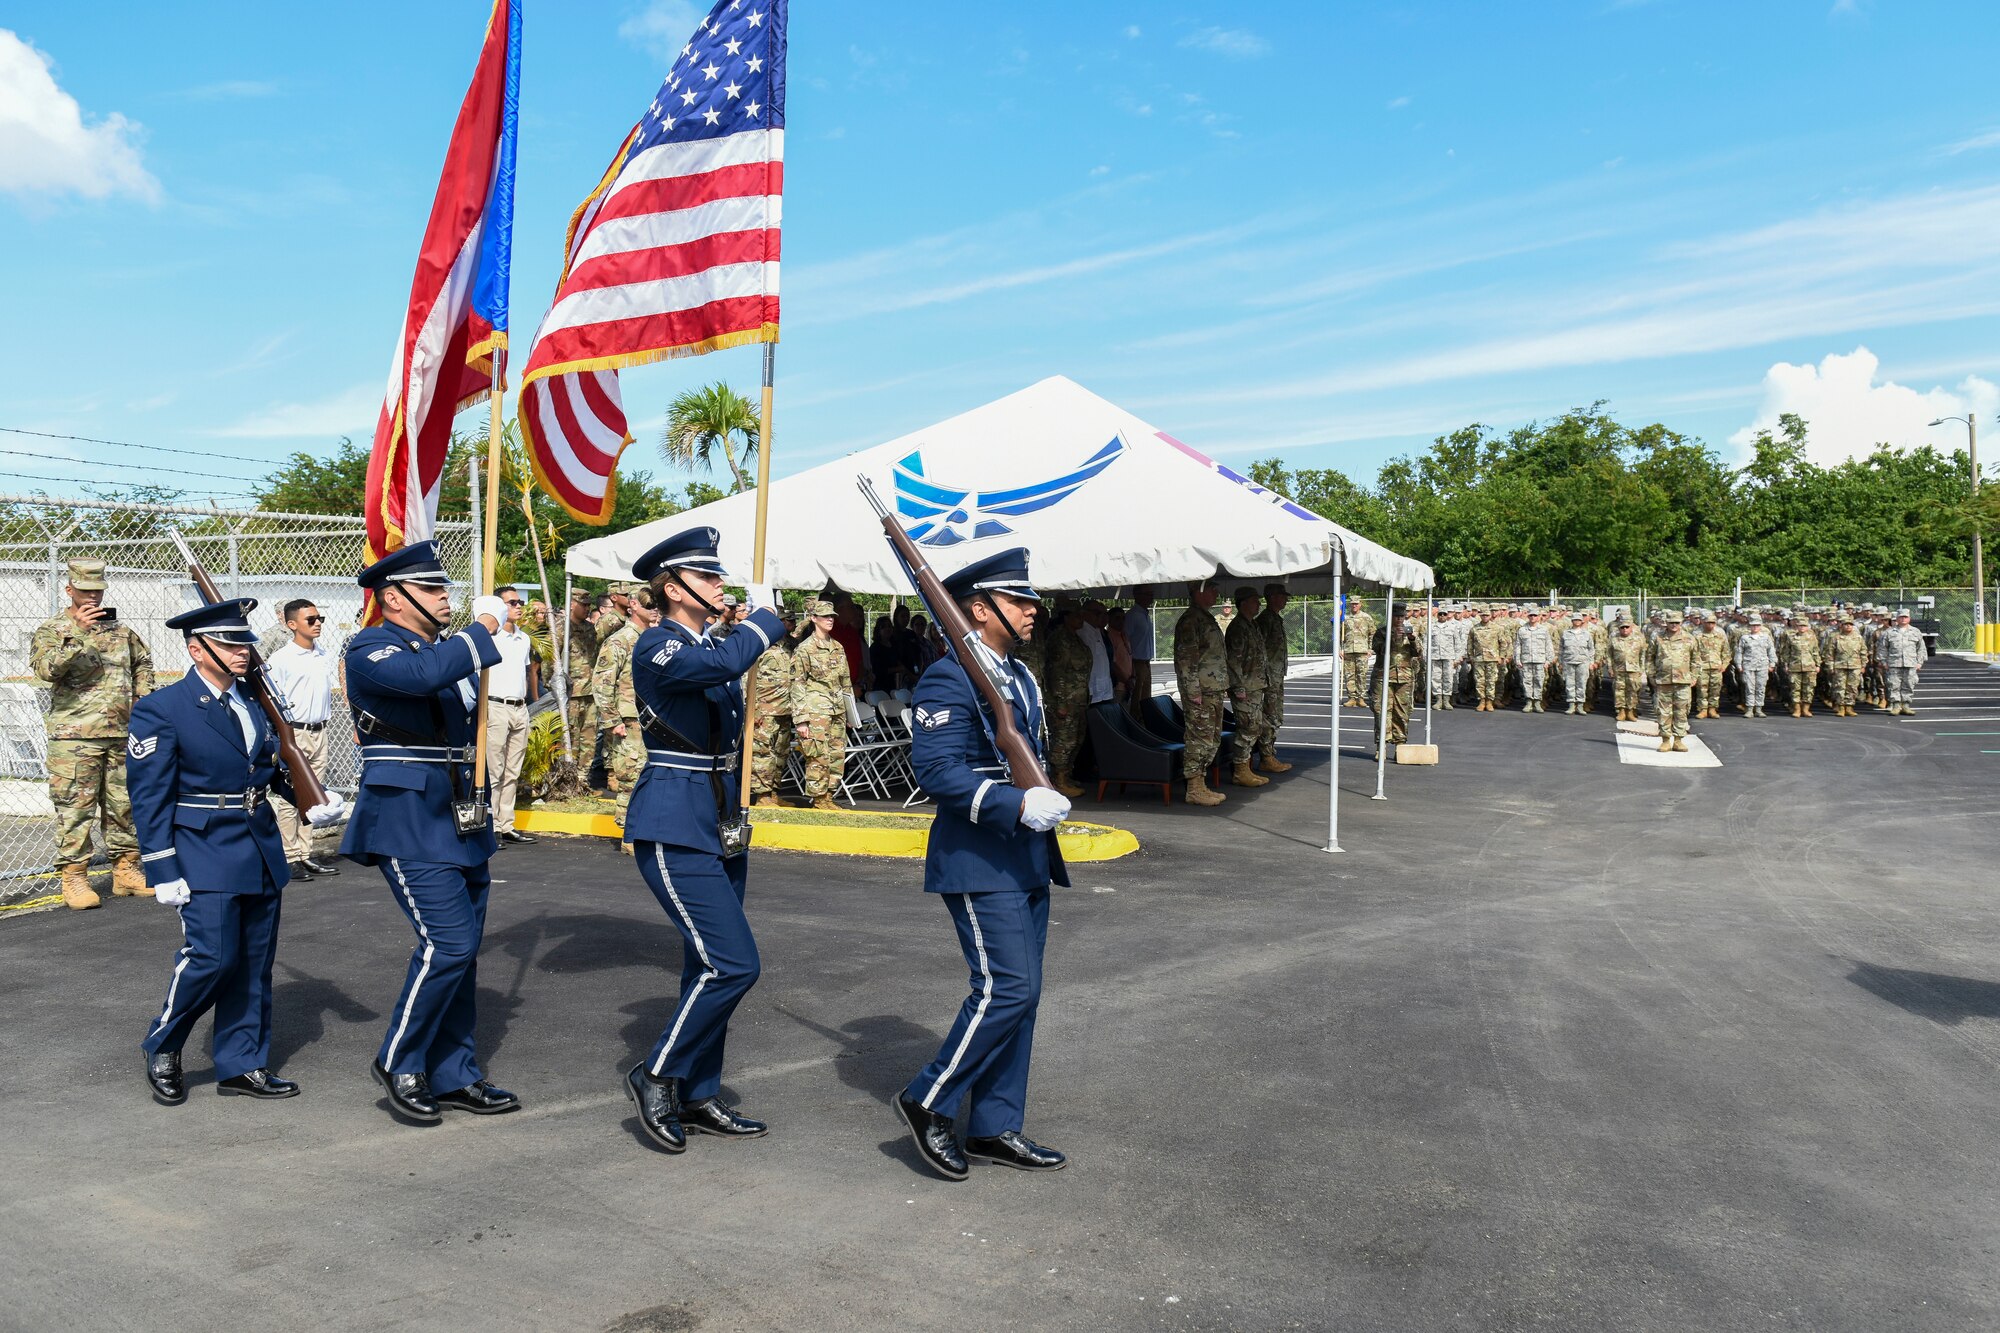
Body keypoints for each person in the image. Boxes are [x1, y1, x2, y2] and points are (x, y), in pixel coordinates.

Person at [896, 546, 1071, 1181]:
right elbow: (938, 772)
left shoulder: (1018, 677)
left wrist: (1040, 798)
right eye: (1019, 600)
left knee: (1024, 998)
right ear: (979, 608)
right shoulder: (949, 678)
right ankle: (929, 1099)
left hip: (1026, 855)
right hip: (978, 857)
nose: (1032, 610)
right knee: (1006, 988)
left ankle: (996, 1125)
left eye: (1030, 600)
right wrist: (1015, 803)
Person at [131, 597, 347, 1106]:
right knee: (211, 957)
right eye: (228, 644)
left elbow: (271, 768)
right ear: (196, 648)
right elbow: (149, 795)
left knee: (252, 961)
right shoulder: (163, 708)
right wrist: (160, 865)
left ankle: (241, 1062)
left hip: (256, 842)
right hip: (200, 845)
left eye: (244, 642)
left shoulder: (254, 703)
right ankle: (164, 1045)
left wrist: (310, 801)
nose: (241, 651)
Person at [620, 527, 787, 1155]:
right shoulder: (657, 646)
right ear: (673, 587)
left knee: (704, 963)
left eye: (719, 577)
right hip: (672, 817)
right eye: (709, 577)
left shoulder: (708, 642)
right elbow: (719, 663)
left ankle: (697, 1090)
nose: (720, 586)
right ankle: (658, 1073)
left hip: (719, 819)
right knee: (734, 963)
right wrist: (763, 623)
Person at [342, 541, 520, 1124]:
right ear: (393, 597)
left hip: (460, 817)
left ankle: (454, 1071)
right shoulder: (369, 646)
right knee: (449, 943)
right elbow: (422, 679)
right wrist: (485, 626)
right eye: (432, 589)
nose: (446, 597)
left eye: (446, 588)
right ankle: (401, 1060)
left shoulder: (442, 651)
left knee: (463, 952)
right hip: (408, 821)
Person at [32, 557, 155, 909]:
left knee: (124, 805)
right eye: (86, 591)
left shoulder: (120, 630)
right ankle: (74, 878)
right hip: (75, 737)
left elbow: (142, 661)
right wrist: (79, 635)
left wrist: (142, 698)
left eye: (98, 591)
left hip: (121, 732)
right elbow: (46, 670)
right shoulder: (53, 630)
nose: (93, 598)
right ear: (70, 590)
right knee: (76, 809)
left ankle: (126, 871)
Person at [264, 598, 343, 879]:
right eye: (311, 619)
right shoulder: (281, 659)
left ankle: (305, 854)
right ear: (291, 625)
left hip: (320, 730)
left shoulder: (323, 653)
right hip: (293, 733)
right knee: (290, 796)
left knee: (314, 796)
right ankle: (289, 857)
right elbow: (272, 701)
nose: (318, 623)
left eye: (319, 618)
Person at [486, 586, 540, 846]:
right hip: (495, 706)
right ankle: (491, 826)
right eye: (512, 602)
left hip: (520, 707)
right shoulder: (491, 637)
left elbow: (528, 673)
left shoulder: (524, 638)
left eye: (520, 602)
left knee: (513, 770)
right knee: (494, 771)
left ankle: (506, 824)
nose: (519, 606)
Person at [791, 600, 851, 811]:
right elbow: (797, 684)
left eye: (832, 616)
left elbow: (846, 682)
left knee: (836, 754)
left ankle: (828, 795)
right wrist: (801, 720)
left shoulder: (837, 647)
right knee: (817, 755)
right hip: (816, 710)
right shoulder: (804, 649)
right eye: (825, 616)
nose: (830, 619)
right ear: (814, 618)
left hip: (837, 709)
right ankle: (818, 799)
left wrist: (851, 714)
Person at [595, 597, 651, 826]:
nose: (655, 610)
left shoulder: (651, 639)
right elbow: (602, 682)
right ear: (635, 606)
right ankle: (629, 831)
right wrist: (612, 720)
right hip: (629, 720)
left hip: (651, 718)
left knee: (647, 775)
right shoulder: (621, 640)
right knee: (631, 776)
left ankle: (642, 828)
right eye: (650, 605)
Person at [1172, 580, 1228, 806]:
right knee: (1198, 738)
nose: (1216, 592)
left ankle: (1201, 783)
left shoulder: (1204, 617)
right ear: (1197, 592)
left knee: (1211, 738)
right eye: (1212, 588)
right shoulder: (1190, 620)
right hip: (1200, 692)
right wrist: (1193, 691)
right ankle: (1194, 788)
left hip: (1211, 689)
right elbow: (1187, 660)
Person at [1041, 601, 1094, 798]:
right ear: (1066, 617)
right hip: (1065, 701)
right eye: (1076, 616)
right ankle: (1058, 779)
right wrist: (1061, 702)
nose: (1081, 619)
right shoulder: (1060, 640)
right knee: (1064, 740)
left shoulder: (1075, 638)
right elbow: (1056, 673)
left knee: (1077, 739)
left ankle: (1067, 775)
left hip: (1078, 699)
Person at [747, 607, 798, 807]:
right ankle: (762, 795)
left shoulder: (789, 646)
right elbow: (747, 680)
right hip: (765, 709)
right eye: (786, 621)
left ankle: (774, 792)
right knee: (762, 753)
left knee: (781, 752)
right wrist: (753, 708)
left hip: (785, 709)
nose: (790, 624)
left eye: (792, 621)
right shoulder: (760, 646)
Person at [1224, 586, 1272, 788]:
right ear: (1243, 603)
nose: (1258, 604)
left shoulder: (1250, 625)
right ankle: (1240, 770)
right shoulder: (1238, 628)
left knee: (1255, 725)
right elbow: (1233, 661)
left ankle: (1246, 768)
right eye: (1254, 600)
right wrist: (1238, 687)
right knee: (1248, 727)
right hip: (1245, 687)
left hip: (1255, 684)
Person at [1252, 584, 1294, 772]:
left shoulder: (1275, 619)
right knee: (1269, 716)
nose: (1285, 599)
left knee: (1275, 715)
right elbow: (1258, 650)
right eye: (1282, 596)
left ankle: (1269, 753)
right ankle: (1266, 756)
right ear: (1272, 597)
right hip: (1268, 677)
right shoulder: (1265, 620)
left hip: (1275, 676)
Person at [1367, 608, 1421, 751]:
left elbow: (1418, 652)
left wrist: (1412, 639)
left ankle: (1400, 743)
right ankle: (1381, 744)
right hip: (1383, 676)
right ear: (1391, 617)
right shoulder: (1381, 632)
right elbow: (1378, 650)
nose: (1399, 619)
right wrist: (1392, 638)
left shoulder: (1410, 632)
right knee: (1381, 710)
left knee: (1402, 711)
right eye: (1396, 616)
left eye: (1401, 616)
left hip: (1404, 677)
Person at [566, 592, 604, 786]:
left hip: (590, 692)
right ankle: (569, 779)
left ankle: (583, 780)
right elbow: (550, 662)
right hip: (571, 694)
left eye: (589, 605)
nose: (587, 608)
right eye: (583, 605)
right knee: (570, 737)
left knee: (588, 739)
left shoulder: (590, 628)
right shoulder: (561, 628)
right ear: (572, 604)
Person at [1647, 609, 1695, 752]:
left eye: (1676, 622)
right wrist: (1651, 675)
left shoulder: (1689, 638)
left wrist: (1694, 676)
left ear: (1681, 623)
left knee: (1681, 711)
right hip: (1663, 680)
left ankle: (1678, 740)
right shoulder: (1657, 637)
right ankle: (1666, 740)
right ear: (1666, 623)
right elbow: (1649, 657)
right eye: (1671, 623)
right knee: (1663, 711)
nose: (1674, 625)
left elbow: (1696, 659)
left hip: (1683, 681)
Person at [1877, 609, 1926, 716]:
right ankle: (1895, 705)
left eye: (1905, 617)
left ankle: (1906, 705)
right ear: (1897, 619)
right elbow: (1882, 648)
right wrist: (1883, 662)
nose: (1903, 619)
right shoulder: (1888, 633)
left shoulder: (1916, 632)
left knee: (1909, 684)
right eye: (1901, 617)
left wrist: (1919, 662)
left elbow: (1921, 648)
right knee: (1894, 684)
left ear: (1909, 618)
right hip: (1894, 663)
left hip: (1910, 663)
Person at [1733, 614, 1777, 717]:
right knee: (1749, 687)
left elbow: (1771, 651)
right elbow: (1739, 652)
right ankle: (1749, 709)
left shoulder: (1766, 637)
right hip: (1748, 666)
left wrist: (1772, 664)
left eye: (1757, 625)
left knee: (1761, 687)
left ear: (1761, 626)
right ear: (1750, 626)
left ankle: (1759, 709)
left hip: (1762, 665)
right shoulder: (1745, 638)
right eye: (1753, 625)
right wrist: (1739, 664)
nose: (1755, 627)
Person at [1123, 586, 1156, 720]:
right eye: (1147, 594)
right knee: (1136, 700)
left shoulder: (1145, 615)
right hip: (1136, 663)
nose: (1151, 597)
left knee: (1146, 700)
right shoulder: (1132, 616)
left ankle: (1144, 725)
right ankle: (1136, 725)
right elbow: (1125, 639)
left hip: (1146, 663)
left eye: (1151, 594)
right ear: (1137, 595)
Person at [1781, 612, 1821, 717]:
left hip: (1810, 666)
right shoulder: (1791, 637)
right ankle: (1797, 709)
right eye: (1800, 626)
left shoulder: (1812, 637)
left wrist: (1818, 665)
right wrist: (1785, 664)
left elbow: (1816, 651)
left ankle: (1806, 709)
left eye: (1804, 626)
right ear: (1796, 626)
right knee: (1795, 688)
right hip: (1795, 666)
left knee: (1809, 688)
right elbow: (1786, 652)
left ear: (1807, 626)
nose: (1802, 627)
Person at [1339, 597, 1375, 707]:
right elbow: (1340, 634)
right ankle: (1351, 698)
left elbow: (1372, 633)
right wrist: (1340, 649)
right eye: (1352, 604)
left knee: (1361, 675)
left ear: (1360, 604)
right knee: (1349, 675)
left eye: (1356, 604)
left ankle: (1361, 698)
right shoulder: (1344, 618)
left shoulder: (1366, 617)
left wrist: (1370, 649)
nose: (1354, 605)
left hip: (1362, 650)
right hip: (1349, 650)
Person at [1607, 615, 1645, 720]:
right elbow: (1609, 654)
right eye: (1622, 627)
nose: (1625, 629)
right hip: (1618, 669)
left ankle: (1630, 711)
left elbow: (1643, 654)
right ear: (1619, 628)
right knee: (1619, 690)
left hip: (1634, 668)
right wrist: (1610, 668)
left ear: (1631, 627)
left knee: (1633, 690)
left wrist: (1641, 669)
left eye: (1627, 627)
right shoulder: (1614, 638)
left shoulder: (1639, 638)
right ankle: (1621, 711)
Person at [1514, 611, 1553, 713]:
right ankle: (1528, 702)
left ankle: (1537, 702)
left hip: (1540, 660)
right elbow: (1518, 645)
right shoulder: (1522, 630)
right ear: (1528, 616)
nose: (1532, 617)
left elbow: (1548, 645)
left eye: (1535, 615)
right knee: (1526, 681)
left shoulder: (1544, 630)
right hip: (1526, 660)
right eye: (1530, 615)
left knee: (1539, 681)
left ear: (1538, 617)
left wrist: (1548, 660)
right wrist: (1517, 659)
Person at [1467, 608, 1506, 711]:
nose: (1485, 617)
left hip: (1492, 659)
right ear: (1480, 616)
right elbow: (1470, 644)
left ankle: (1489, 701)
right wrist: (1471, 657)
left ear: (1490, 616)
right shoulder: (1474, 629)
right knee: (1479, 681)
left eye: (1487, 615)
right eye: (1483, 615)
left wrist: (1501, 657)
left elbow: (1503, 643)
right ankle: (1482, 701)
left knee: (1491, 681)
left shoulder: (1497, 628)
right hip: (1479, 659)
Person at [1557, 612, 1595, 715]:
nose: (1577, 621)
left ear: (1581, 621)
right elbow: (1561, 649)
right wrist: (1560, 662)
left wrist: (1591, 662)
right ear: (1572, 621)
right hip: (1569, 661)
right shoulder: (1566, 633)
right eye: (1575, 620)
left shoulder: (1586, 634)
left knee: (1581, 684)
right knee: (1570, 684)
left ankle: (1580, 705)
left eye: (1579, 620)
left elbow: (1591, 649)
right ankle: (1571, 705)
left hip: (1582, 662)